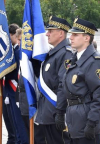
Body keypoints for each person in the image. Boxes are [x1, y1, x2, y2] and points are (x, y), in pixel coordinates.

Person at [62, 18, 100, 144]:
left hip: (85, 122)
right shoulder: (75, 59)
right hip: (75, 121)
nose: (70, 37)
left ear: (86, 38)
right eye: (71, 34)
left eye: (75, 35)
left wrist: (91, 123)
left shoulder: (94, 62)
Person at [35, 16, 72, 144]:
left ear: (61, 33)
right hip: (48, 111)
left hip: (55, 111)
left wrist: (60, 113)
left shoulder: (66, 53)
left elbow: (63, 85)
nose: (47, 34)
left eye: (51, 31)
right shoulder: (54, 53)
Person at [3, 24, 29, 144]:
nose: (19, 42)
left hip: (16, 91)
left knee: (19, 126)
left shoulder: (19, 52)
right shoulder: (15, 50)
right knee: (14, 124)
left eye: (19, 39)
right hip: (11, 90)